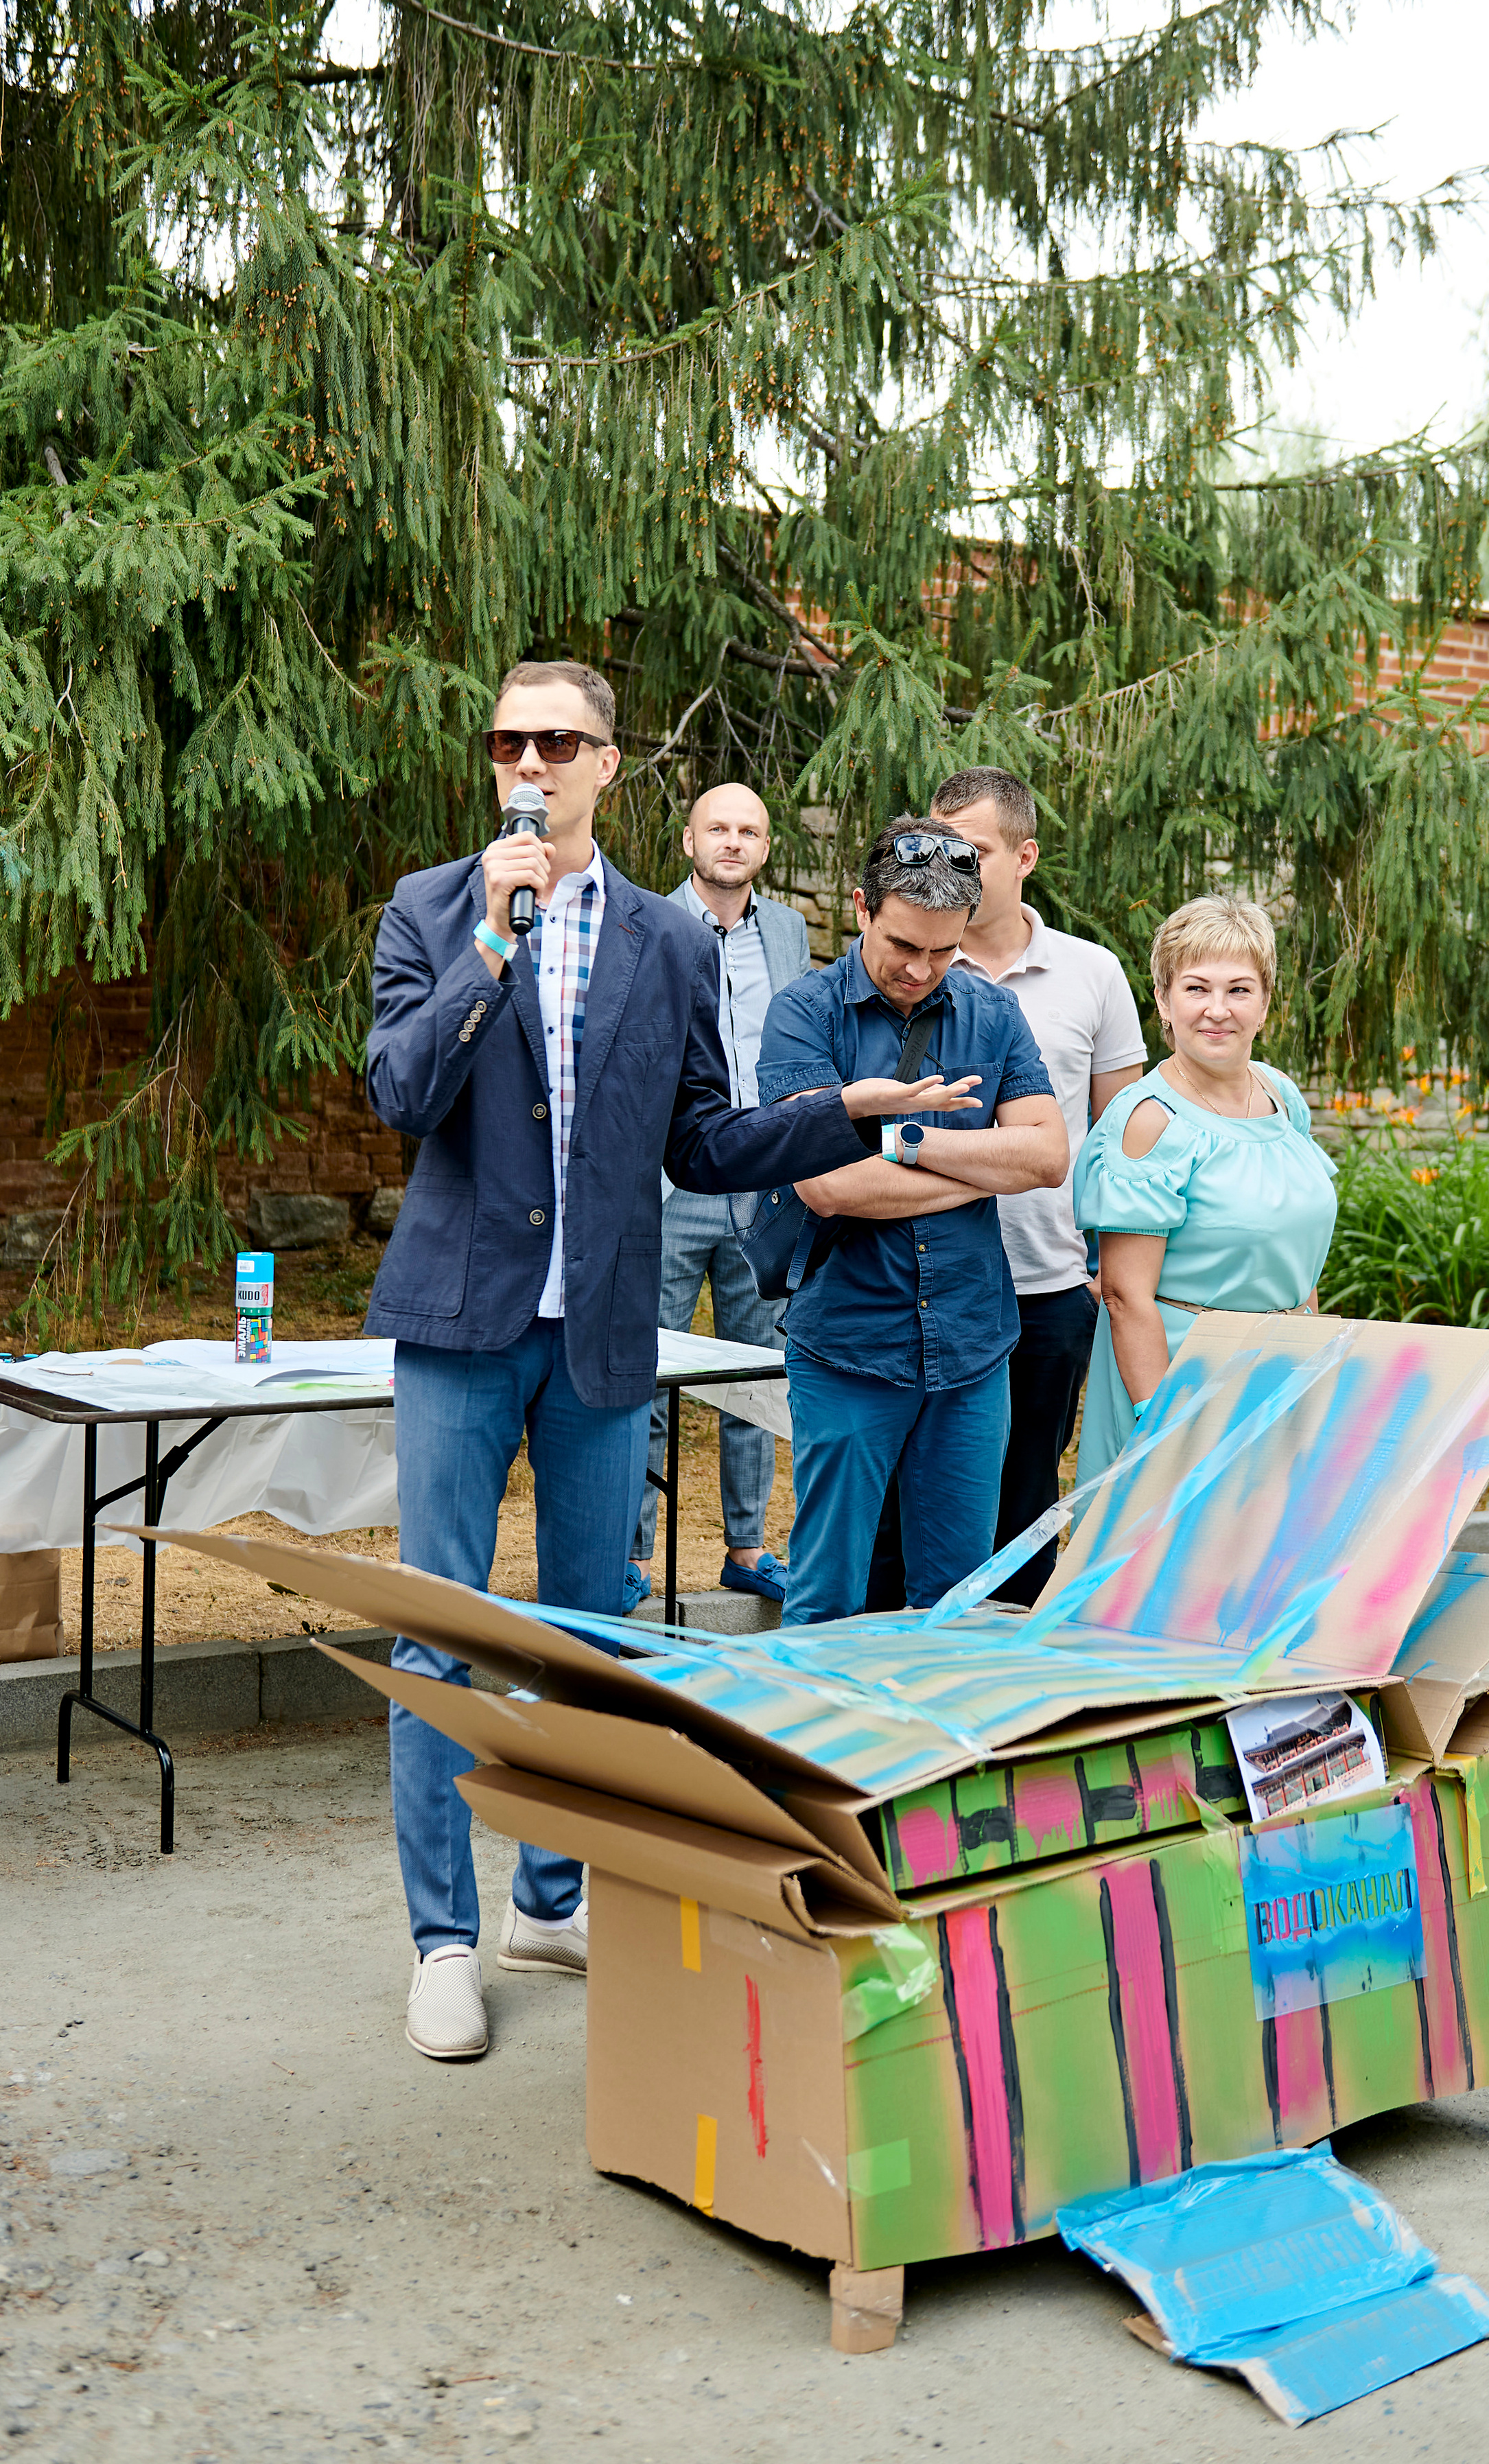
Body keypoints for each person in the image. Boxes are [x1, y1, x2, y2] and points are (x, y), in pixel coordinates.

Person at [364, 663, 977, 2062]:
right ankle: (442, 1941)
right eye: (508, 739)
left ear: (605, 762)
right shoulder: (428, 908)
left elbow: (701, 1140)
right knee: (442, 1630)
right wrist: (490, 949)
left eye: (556, 740)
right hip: (459, 1324)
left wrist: (840, 1113)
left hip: (599, 1333)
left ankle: (551, 1899)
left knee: (593, 1633)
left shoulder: (666, 940)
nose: (528, 760)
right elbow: (401, 1091)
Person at [756, 817, 1068, 1624]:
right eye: (903, 945)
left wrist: (904, 1140)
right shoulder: (802, 1014)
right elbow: (827, 1186)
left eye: (943, 951)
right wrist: (976, 1166)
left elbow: (1045, 1159)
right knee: (827, 1591)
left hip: (972, 1348)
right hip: (848, 1346)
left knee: (954, 1603)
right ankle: (806, 1748)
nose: (920, 970)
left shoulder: (992, 1014)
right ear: (861, 907)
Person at [930, 765, 1147, 1594]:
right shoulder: (914, 962)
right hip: (926, 1280)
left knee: (1023, 1506)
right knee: (917, 1506)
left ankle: (1009, 1693)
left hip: (1047, 1284)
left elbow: (1122, 1139)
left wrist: (1106, 1268)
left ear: (1023, 857)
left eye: (973, 850)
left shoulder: (1091, 974)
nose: (952, 866)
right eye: (941, 846)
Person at [1072, 895, 1338, 1478]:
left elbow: (1300, 1263)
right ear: (1164, 1001)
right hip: (1183, 1384)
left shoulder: (1280, 1096)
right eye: (1196, 989)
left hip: (1280, 1376)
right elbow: (1124, 1296)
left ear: (1266, 1004)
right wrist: (1163, 1423)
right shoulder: (1149, 1120)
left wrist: (1312, 1375)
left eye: (1239, 990)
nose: (1217, 1009)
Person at [625, 783, 808, 1607]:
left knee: (753, 1377)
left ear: (764, 849)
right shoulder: (648, 925)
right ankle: (630, 1556)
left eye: (749, 831)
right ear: (689, 842)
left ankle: (746, 1547)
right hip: (669, 1184)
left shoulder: (790, 933)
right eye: (718, 829)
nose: (732, 842)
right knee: (646, 1371)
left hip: (760, 1184)